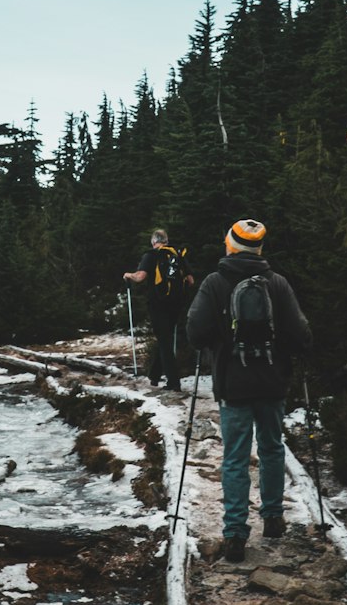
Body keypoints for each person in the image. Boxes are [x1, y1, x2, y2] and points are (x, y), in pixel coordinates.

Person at [186, 218, 311, 563]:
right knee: (272, 448)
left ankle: (236, 534)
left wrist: (215, 341)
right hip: (272, 382)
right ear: (259, 248)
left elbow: (195, 332)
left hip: (233, 384)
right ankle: (272, 518)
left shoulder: (215, 282)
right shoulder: (277, 283)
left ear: (230, 244)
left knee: (235, 458)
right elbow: (301, 334)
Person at [123, 229, 194, 392]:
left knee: (164, 341)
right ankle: (154, 376)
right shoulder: (177, 255)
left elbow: (140, 277)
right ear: (166, 241)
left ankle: (174, 382)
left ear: (153, 242)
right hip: (176, 304)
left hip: (158, 304)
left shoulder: (151, 255)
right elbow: (190, 280)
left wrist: (128, 275)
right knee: (165, 339)